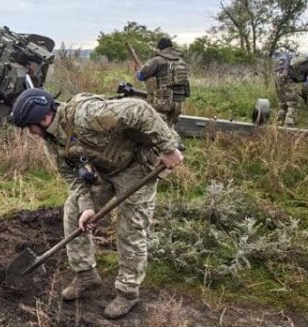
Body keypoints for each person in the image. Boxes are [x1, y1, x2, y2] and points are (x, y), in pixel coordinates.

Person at [10, 88, 184, 319]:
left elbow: (139, 109)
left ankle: (127, 292)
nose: (30, 133)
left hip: (137, 167)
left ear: (43, 118)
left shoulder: (87, 114)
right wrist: (87, 207)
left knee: (130, 229)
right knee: (73, 212)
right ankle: (85, 274)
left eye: (30, 127)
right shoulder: (52, 142)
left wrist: (168, 148)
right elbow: (71, 176)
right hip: (102, 172)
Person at [135, 37, 190, 128]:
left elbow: (141, 76)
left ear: (159, 48)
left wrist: (137, 71)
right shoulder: (181, 61)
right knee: (170, 128)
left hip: (163, 102)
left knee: (156, 129)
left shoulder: (157, 60)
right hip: (179, 103)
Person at [275, 56, 308, 127]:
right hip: (287, 77)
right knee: (293, 103)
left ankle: (278, 126)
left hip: (279, 74)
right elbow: (305, 86)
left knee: (283, 103)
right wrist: (306, 98)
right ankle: (288, 128)